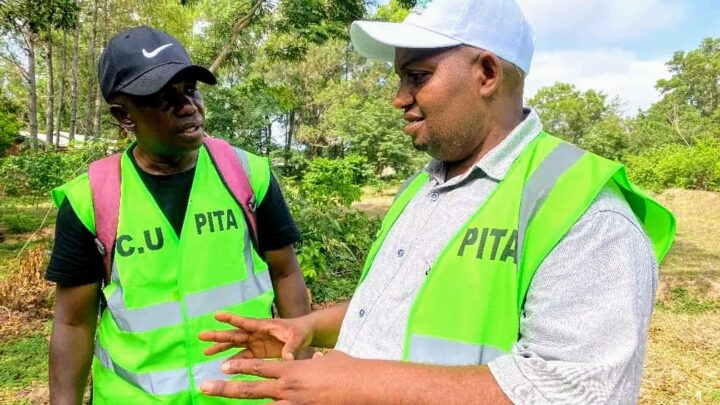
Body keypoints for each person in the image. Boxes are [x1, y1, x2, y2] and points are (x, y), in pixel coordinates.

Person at [197, 0, 676, 403]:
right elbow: (391, 309)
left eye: (417, 75)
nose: (398, 98)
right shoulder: (422, 188)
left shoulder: (584, 209)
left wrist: (356, 383)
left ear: (487, 73)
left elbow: (574, 391)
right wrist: (308, 329)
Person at [45, 26, 310, 404]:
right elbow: (73, 321)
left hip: (244, 394)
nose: (189, 107)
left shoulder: (248, 175)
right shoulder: (90, 198)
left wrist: (297, 371)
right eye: (163, 98)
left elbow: (285, 272)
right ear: (124, 116)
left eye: (191, 90)